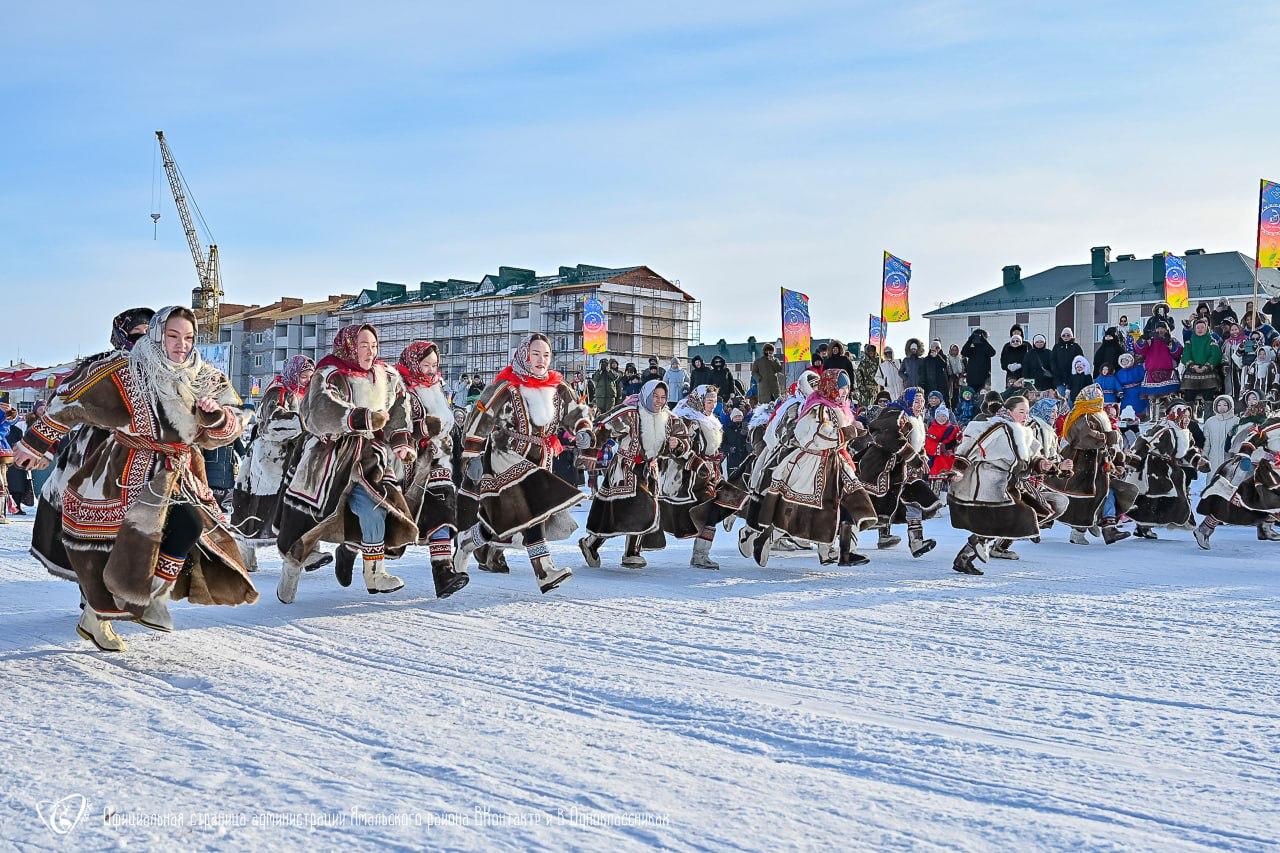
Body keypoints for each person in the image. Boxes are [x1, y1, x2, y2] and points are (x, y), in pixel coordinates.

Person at [13, 306, 255, 652]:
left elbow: (238, 417)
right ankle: (97, 616)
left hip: (176, 469)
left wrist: (216, 418)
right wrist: (35, 444)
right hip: (121, 466)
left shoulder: (206, 377)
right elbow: (68, 399)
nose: (180, 345)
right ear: (158, 335)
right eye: (172, 336)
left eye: (188, 337)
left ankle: (152, 595)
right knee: (112, 548)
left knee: (188, 525)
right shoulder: (124, 369)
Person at [276, 324, 419, 603]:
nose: (370, 351)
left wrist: (401, 441)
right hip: (328, 460)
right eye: (363, 345)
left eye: (374, 345)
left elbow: (400, 407)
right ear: (350, 346)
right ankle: (291, 569)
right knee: (308, 523)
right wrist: (357, 418)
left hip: (368, 459)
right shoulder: (330, 373)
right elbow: (315, 410)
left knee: (375, 507)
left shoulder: (386, 377)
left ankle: (375, 572)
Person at [454, 334, 594, 593]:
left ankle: (467, 542)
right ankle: (544, 570)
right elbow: (481, 416)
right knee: (532, 513)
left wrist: (583, 429)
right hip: (506, 456)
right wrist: (471, 455)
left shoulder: (558, 386)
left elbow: (577, 410)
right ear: (524, 355)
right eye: (535, 354)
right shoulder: (507, 386)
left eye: (546, 355)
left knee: (507, 520)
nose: (541, 360)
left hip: (541, 458)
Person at [29, 308, 156, 580]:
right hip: (96, 451)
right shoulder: (98, 366)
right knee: (91, 521)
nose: (143, 341)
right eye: (136, 334)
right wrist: (43, 445)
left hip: (147, 454)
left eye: (149, 334)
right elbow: (64, 405)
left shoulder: (165, 371)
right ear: (120, 336)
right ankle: (91, 589)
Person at [753, 369, 877, 566]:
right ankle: (766, 539)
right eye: (841, 388)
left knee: (849, 503)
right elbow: (814, 437)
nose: (845, 392)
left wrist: (860, 432)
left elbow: (844, 432)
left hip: (836, 462)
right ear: (831, 387)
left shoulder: (840, 407)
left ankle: (845, 551)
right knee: (800, 510)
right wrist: (848, 433)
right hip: (813, 464)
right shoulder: (817, 408)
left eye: (846, 388)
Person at [947, 396, 1069, 575]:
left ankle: (965, 556)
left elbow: (1032, 458)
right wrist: (959, 469)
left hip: (1009, 483)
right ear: (1009, 411)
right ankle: (977, 546)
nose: (1025, 415)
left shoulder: (1025, 432)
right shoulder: (997, 426)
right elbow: (970, 445)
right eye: (1021, 411)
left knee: (1011, 518)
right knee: (1015, 515)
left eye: (1027, 412)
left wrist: (1042, 464)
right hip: (988, 482)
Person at [230, 355, 329, 574]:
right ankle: (245, 557)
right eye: (304, 375)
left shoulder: (307, 394)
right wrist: (303, 422)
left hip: (296, 459)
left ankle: (309, 552)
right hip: (270, 461)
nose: (307, 379)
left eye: (310, 376)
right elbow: (270, 424)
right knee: (258, 511)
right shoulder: (278, 392)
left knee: (299, 506)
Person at [395, 341, 470, 598]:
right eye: (425, 364)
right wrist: (423, 432)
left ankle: (443, 571)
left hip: (439, 461)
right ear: (414, 363)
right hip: (408, 462)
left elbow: (445, 423)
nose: (429, 370)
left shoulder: (436, 387)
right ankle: (359, 555)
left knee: (444, 508)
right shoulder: (400, 388)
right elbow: (396, 427)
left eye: (434, 365)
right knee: (394, 522)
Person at [579, 380, 680, 568]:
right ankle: (590, 543)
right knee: (617, 513)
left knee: (645, 508)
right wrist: (590, 447)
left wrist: (677, 444)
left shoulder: (668, 418)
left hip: (649, 471)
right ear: (646, 395)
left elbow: (682, 438)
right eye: (655, 396)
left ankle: (632, 552)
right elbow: (603, 427)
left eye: (663, 397)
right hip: (625, 469)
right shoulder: (630, 413)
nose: (659, 401)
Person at [1044, 383, 1135, 546]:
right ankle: (1077, 530)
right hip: (1081, 464)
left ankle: (1109, 529)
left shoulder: (1099, 414)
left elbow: (1105, 440)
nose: (1098, 399)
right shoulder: (1080, 415)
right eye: (1094, 396)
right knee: (1083, 498)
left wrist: (1115, 456)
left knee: (1105, 493)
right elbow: (1085, 439)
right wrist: (1107, 437)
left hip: (1099, 464)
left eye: (1099, 396)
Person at [858, 387, 941, 558]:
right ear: (909, 400)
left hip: (906, 471)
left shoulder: (917, 418)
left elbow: (918, 443)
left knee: (914, 501)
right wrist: (913, 457)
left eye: (922, 401)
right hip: (885, 468)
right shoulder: (896, 413)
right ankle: (843, 539)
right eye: (917, 400)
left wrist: (922, 455)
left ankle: (916, 542)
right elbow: (889, 437)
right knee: (872, 505)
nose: (921, 404)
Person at [1128, 404, 1208, 542]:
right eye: (1185, 416)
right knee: (1153, 497)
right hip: (1154, 467)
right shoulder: (1164, 429)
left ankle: (1178, 519)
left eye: (1189, 417)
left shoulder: (1185, 432)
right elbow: (1144, 441)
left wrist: (1198, 461)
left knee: (1173, 495)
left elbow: (1189, 451)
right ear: (1176, 415)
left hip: (1170, 467)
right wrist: (1134, 461)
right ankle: (1143, 525)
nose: (1187, 419)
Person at [1180, 317, 1222, 411]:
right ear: (1194, 329)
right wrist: (1192, 366)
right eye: (1197, 327)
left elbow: (1215, 355)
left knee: (1209, 398)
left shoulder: (1212, 341)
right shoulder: (1189, 342)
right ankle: (1189, 419)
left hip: (1208, 373)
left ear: (1206, 328)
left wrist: (1206, 366)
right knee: (1189, 397)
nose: (1200, 329)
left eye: (1202, 327)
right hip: (1191, 374)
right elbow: (1185, 355)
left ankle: (1208, 419)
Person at [1201, 394, 1239, 475]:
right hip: (1213, 460)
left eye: (1225, 405)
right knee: (1212, 483)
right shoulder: (1210, 422)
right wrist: (1204, 456)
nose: (1222, 407)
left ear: (1230, 406)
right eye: (1219, 405)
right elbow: (1206, 442)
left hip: (1230, 460)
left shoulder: (1237, 421)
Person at [960, 329, 995, 393]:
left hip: (984, 378)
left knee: (983, 396)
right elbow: (963, 352)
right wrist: (970, 340)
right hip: (971, 378)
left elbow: (992, 352)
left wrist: (984, 341)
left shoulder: (985, 348)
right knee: (971, 396)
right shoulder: (972, 349)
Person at [1116, 352, 1147, 418]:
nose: (1124, 362)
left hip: (1137, 390)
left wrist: (1144, 390)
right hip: (1126, 392)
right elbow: (1117, 382)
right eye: (1123, 361)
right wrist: (1119, 391)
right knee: (1125, 405)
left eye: (1126, 360)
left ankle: (1139, 415)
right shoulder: (1120, 372)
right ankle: (1126, 416)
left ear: (1130, 360)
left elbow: (1144, 378)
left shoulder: (1138, 368)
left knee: (1138, 404)